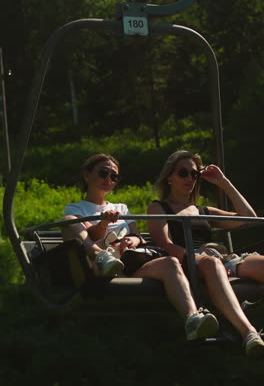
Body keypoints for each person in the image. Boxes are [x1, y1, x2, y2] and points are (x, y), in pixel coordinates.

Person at [63, 153, 220, 342]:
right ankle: (101, 257)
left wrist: (133, 241)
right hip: (100, 263)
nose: (108, 180)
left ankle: (192, 319)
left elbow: (137, 236)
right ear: (87, 175)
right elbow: (90, 236)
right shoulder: (76, 209)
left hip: (128, 262)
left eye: (114, 176)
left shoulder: (121, 207)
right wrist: (103, 224)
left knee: (170, 262)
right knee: (69, 221)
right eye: (103, 173)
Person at [147, 149, 264, 359]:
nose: (189, 178)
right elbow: (164, 242)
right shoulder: (159, 207)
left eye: (194, 174)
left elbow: (248, 217)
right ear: (170, 177)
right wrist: (195, 259)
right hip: (189, 262)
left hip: (218, 260)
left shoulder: (203, 211)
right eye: (183, 173)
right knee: (212, 264)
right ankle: (249, 333)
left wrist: (224, 182)